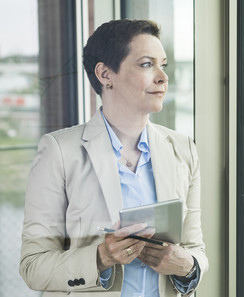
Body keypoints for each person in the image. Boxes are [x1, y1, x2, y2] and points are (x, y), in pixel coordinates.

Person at [19, 19, 208, 297]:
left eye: (163, 65)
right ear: (105, 74)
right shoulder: (59, 151)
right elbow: (33, 266)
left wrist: (187, 266)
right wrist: (101, 257)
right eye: (147, 64)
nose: (162, 77)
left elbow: (196, 250)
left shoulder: (184, 149)